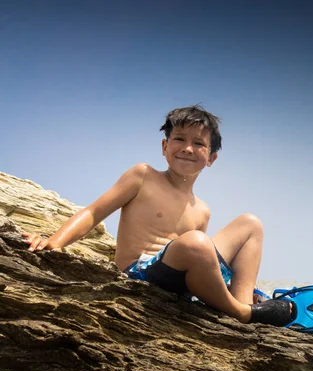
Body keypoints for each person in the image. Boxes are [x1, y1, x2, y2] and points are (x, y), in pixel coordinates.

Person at [23, 105, 295, 327]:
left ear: (211, 158)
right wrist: (55, 242)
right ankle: (242, 312)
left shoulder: (202, 209)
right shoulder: (143, 176)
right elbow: (94, 212)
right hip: (142, 273)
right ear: (164, 146)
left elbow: (200, 263)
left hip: (182, 277)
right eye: (179, 139)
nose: (187, 148)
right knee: (197, 242)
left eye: (198, 143)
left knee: (250, 224)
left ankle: (245, 302)